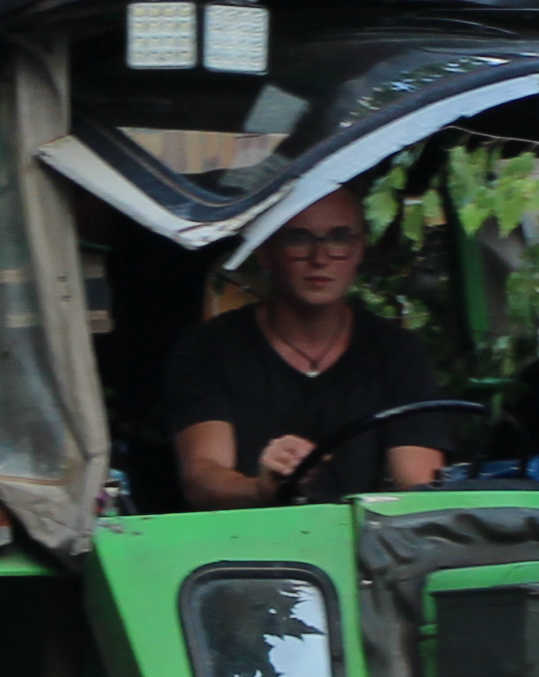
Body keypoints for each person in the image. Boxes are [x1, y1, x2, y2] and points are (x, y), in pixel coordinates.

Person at [164, 187, 451, 507]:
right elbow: (202, 477)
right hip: (246, 546)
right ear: (265, 251)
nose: (320, 258)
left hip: (363, 546)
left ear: (360, 248)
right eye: (298, 239)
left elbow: (420, 486)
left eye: (339, 238)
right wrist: (264, 488)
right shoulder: (210, 348)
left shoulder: (397, 351)